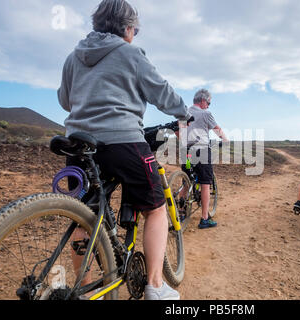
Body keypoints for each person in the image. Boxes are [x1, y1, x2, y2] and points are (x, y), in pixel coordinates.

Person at [57, 0, 192, 300]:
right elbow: (162, 92)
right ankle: (155, 286)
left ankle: (84, 287)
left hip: (79, 144)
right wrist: (184, 112)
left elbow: (65, 100)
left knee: (84, 216)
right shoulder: (130, 53)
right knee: (155, 208)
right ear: (128, 28)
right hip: (123, 141)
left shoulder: (73, 57)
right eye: (135, 30)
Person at [181, 89, 228, 229]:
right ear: (202, 101)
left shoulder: (183, 113)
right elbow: (217, 129)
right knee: (205, 183)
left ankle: (181, 212)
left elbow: (179, 132)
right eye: (208, 103)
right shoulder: (206, 113)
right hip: (201, 151)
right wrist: (225, 140)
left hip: (187, 153)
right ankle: (205, 219)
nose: (208, 105)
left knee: (186, 181)